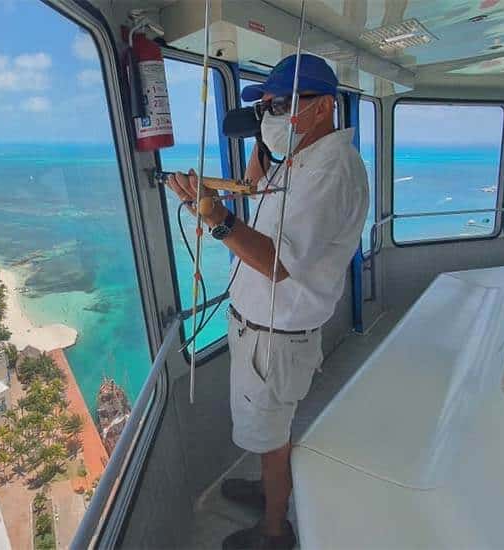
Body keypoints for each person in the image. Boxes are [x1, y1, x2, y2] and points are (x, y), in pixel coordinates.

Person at [166, 54, 368, 550]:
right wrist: (258, 161)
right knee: (270, 429)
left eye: (280, 106)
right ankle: (268, 489)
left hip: (274, 343)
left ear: (322, 108)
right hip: (266, 334)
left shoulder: (328, 175)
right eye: (266, 108)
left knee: (273, 438)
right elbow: (265, 202)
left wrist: (215, 219)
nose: (271, 116)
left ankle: (275, 531)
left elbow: (276, 262)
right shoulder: (305, 163)